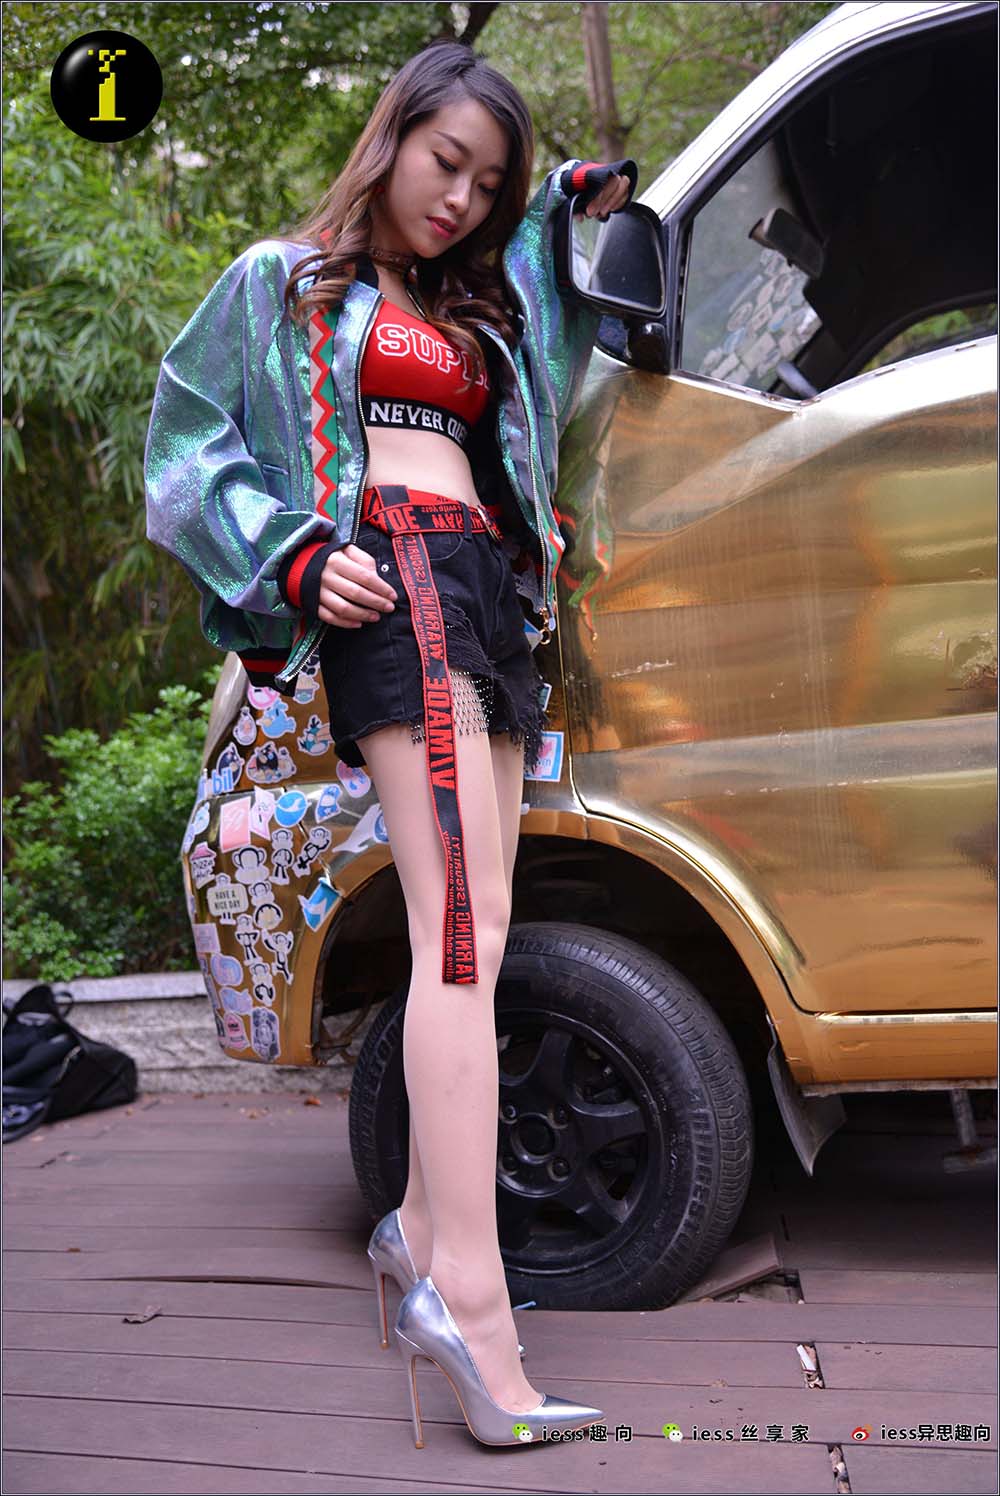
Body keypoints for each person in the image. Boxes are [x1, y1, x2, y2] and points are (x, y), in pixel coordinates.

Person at [145, 39, 636, 1448]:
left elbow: (545, 350)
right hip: (396, 578)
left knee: (478, 929)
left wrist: (566, 208)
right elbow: (183, 448)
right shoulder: (287, 282)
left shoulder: (469, 303)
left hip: (488, 594)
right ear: (392, 136)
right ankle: (473, 1307)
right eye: (446, 162)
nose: (460, 198)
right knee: (459, 939)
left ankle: (422, 1229)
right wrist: (295, 557)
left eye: (488, 184)